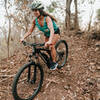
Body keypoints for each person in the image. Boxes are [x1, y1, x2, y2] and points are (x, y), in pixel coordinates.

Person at [20, 1, 60, 70]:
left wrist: (50, 41)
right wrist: (23, 38)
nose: (34, 12)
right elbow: (29, 31)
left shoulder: (47, 18)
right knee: (46, 47)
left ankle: (54, 62)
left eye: (36, 10)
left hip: (55, 33)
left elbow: (51, 30)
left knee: (51, 45)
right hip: (46, 34)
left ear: (40, 11)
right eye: (33, 10)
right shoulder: (35, 21)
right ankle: (52, 55)